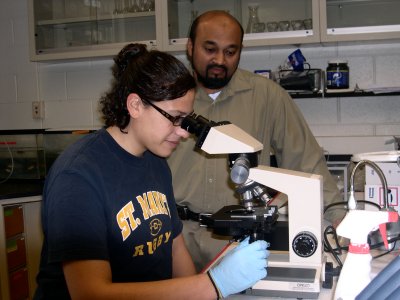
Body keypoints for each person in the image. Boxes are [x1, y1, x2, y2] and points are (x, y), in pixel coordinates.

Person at [33, 43, 269, 300]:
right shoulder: (77, 176)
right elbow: (90, 294)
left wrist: (204, 287)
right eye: (175, 118)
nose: (182, 132)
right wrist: (213, 285)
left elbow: (174, 249)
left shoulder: (155, 161)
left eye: (186, 120)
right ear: (135, 105)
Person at [167, 10, 342, 271]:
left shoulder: (267, 96)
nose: (219, 60)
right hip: (174, 236)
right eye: (210, 49)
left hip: (236, 239)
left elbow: (306, 161)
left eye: (230, 51)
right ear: (190, 47)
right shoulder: (168, 96)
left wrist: (338, 218)